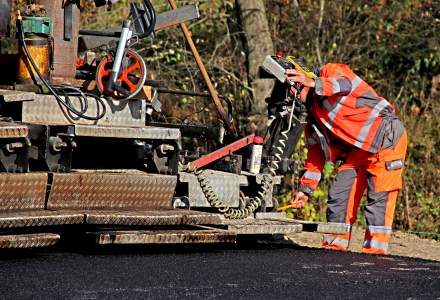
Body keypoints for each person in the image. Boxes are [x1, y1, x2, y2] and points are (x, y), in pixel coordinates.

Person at [286, 63, 407, 254]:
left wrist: (313, 82)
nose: (293, 97)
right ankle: (334, 249)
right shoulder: (311, 118)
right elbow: (315, 157)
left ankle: (374, 254)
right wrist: (305, 190)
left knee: (379, 200)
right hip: (357, 150)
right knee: (339, 196)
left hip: (386, 138)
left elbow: (344, 84)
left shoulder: (330, 71)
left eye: (294, 89)